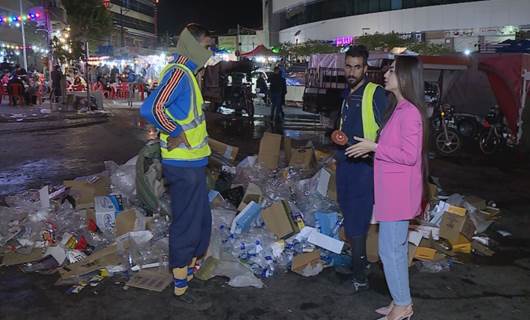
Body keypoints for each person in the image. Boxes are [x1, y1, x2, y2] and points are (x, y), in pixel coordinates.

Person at [346, 56, 428, 320]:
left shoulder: (411, 113)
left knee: (390, 251)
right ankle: (400, 301)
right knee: (393, 249)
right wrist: (372, 149)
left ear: (405, 77)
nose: (386, 74)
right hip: (391, 192)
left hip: (398, 194)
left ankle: (403, 306)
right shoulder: (399, 108)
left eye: (392, 70)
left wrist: (375, 147)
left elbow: (409, 155)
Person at [140, 23, 213, 310]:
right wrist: (173, 131)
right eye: (207, 44)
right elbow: (151, 108)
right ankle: (181, 283)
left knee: (200, 221)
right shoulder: (179, 73)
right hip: (182, 164)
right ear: (193, 44)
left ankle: (189, 271)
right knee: (186, 221)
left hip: (193, 162)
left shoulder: (188, 74)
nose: (210, 50)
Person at [335, 45, 387, 292]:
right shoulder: (348, 93)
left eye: (357, 67)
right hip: (346, 165)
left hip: (364, 170)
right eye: (348, 66)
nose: (352, 71)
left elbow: (389, 131)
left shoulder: (375, 93)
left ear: (366, 68)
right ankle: (361, 263)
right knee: (349, 213)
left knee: (356, 219)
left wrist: (373, 147)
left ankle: (359, 278)